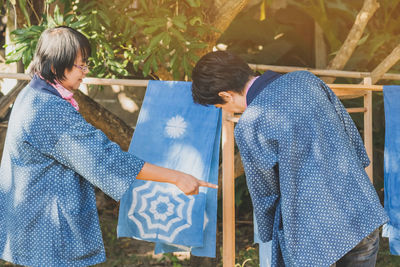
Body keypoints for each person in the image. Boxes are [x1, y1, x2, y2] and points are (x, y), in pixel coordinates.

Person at [0, 26, 217, 267]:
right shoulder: (49, 109)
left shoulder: (33, 94)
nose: (85, 72)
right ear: (54, 67)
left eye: (86, 64)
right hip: (47, 232)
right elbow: (103, 159)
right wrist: (176, 177)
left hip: (34, 223)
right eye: (80, 66)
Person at [191, 51, 388, 267]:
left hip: (315, 236)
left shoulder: (250, 123)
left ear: (226, 95)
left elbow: (265, 192)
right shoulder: (306, 79)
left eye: (220, 107)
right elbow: (351, 134)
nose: (225, 110)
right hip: (362, 211)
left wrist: (270, 234)